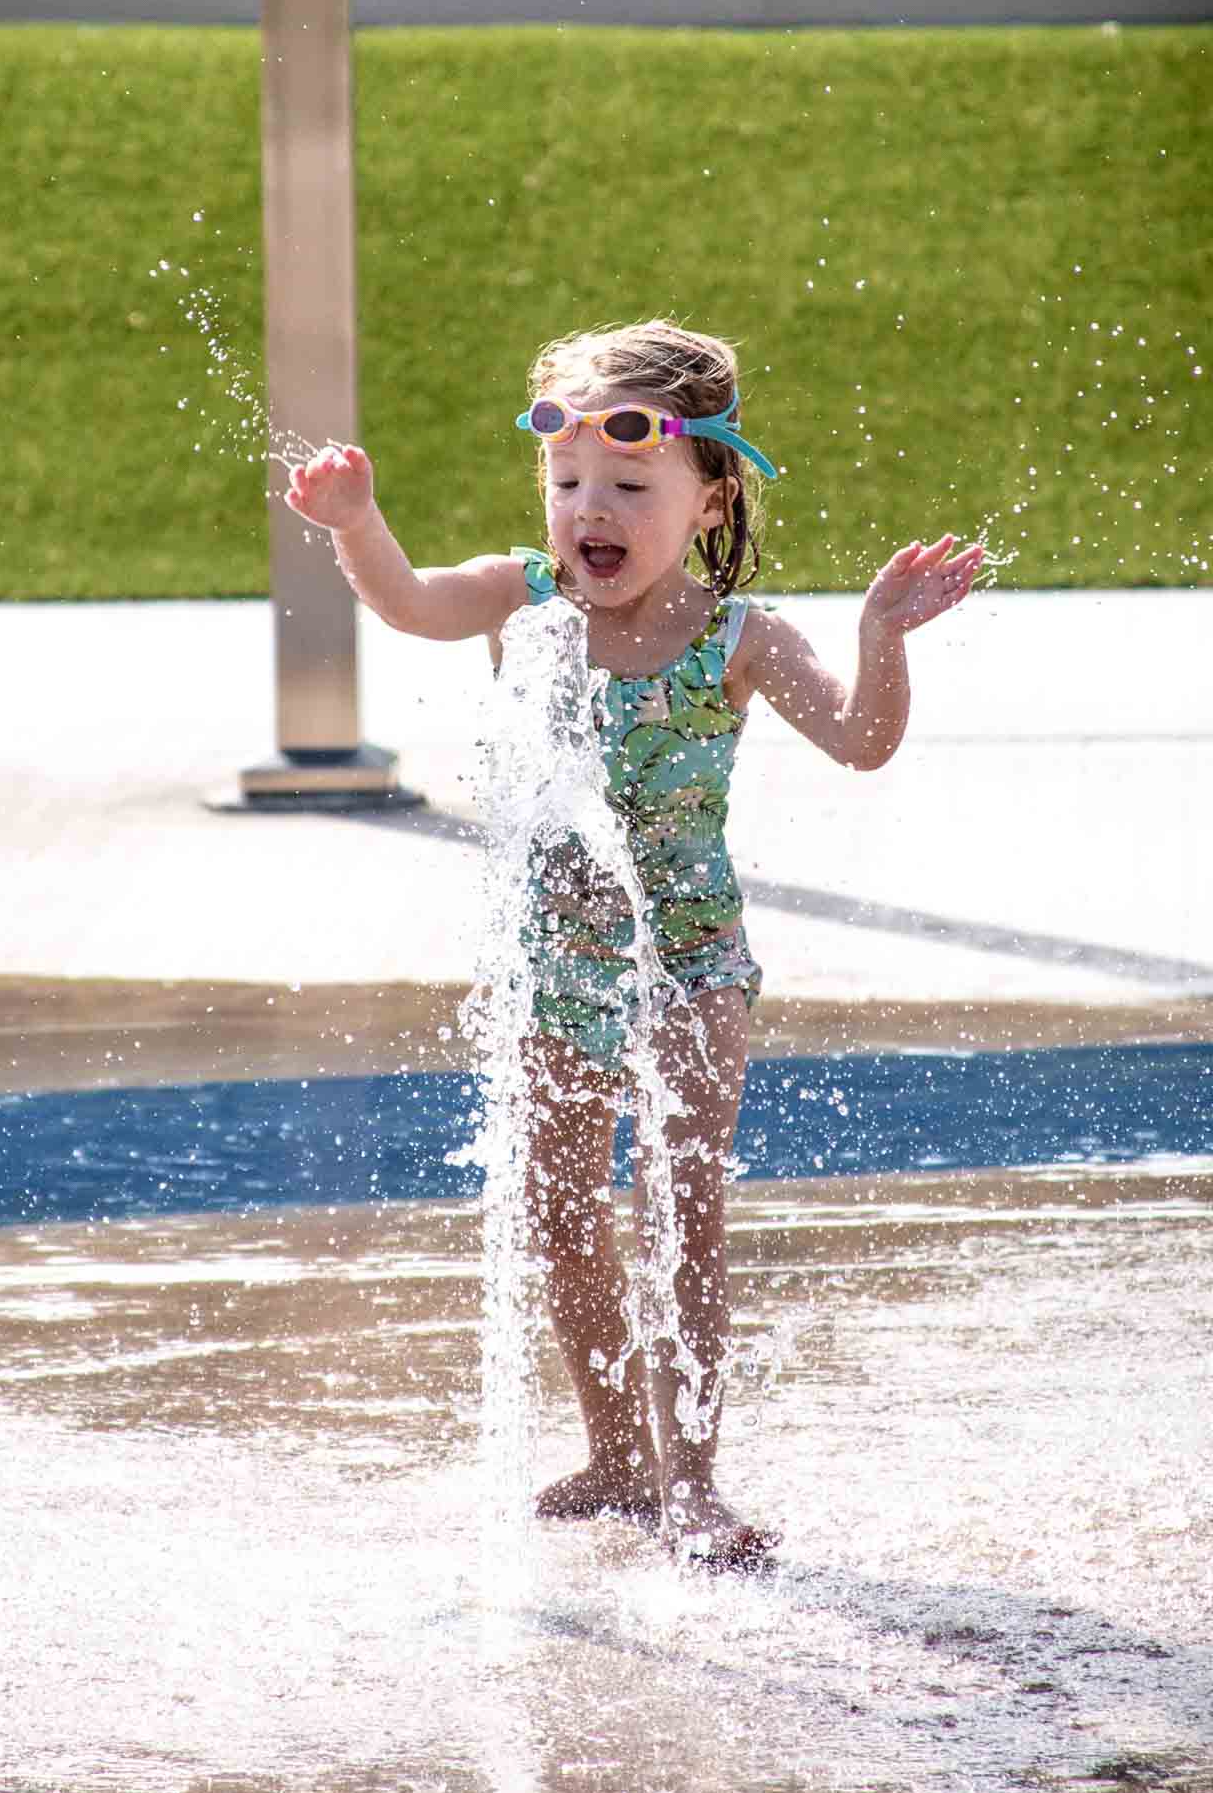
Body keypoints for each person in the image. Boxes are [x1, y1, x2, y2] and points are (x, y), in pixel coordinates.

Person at [284, 319, 982, 1573]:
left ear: (709, 496)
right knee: (558, 1211)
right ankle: (615, 1453)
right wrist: (354, 524)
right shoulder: (523, 603)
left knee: (678, 1214)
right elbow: (405, 603)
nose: (585, 511)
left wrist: (880, 634)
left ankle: (695, 1483)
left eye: (625, 486)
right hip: (555, 965)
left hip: (690, 964)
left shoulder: (740, 638)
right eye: (564, 486)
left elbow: (863, 742)